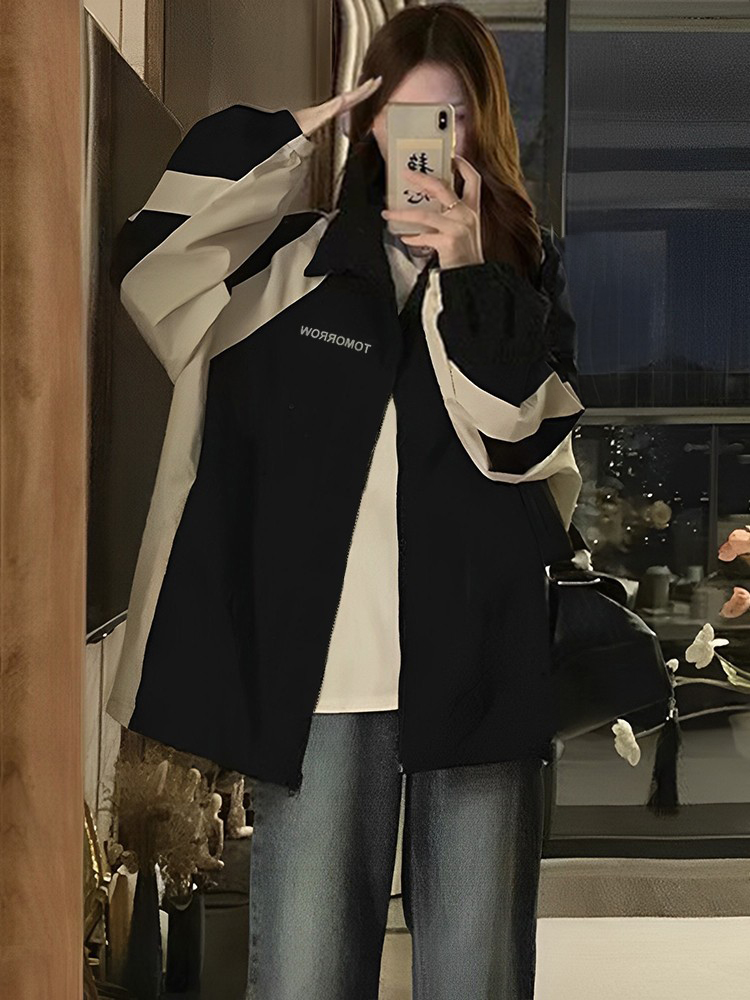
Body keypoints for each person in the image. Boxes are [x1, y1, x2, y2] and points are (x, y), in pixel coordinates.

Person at [105, 4, 585, 998]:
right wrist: (286, 133)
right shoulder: (287, 268)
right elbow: (152, 266)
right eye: (403, 113)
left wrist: (467, 270)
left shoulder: (521, 281)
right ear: (368, 123)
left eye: (449, 114)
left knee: (479, 979)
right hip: (324, 688)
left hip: (482, 674)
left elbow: (520, 442)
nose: (426, 141)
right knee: (306, 977)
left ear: (482, 123)